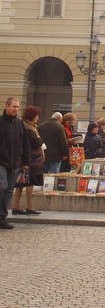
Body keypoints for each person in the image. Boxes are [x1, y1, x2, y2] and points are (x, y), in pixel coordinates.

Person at [0, 97, 30, 229]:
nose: (15, 109)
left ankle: (2, 217)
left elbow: (25, 143)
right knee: (2, 186)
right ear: (6, 106)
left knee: (9, 190)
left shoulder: (19, 123)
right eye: (13, 106)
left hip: (15, 163)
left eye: (17, 107)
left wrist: (25, 161)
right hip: (1, 161)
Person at [11, 105, 43, 215]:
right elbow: (37, 143)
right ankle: (29, 206)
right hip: (31, 160)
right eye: (36, 116)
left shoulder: (24, 126)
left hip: (27, 159)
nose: (37, 118)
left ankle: (16, 206)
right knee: (29, 183)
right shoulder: (28, 129)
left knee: (20, 183)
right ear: (31, 116)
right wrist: (39, 137)